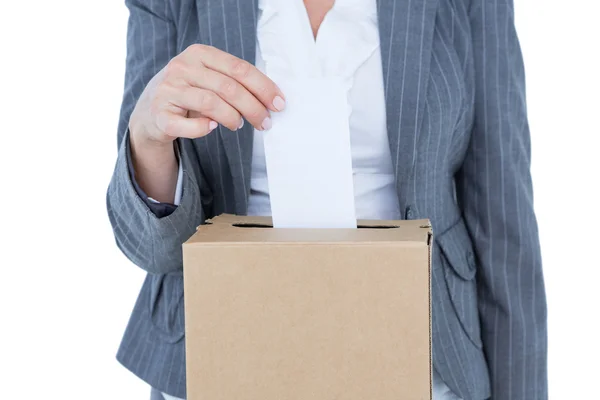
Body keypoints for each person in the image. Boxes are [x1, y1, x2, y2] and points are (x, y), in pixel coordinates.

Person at [106, 0, 548, 399]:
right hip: (225, 359)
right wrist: (147, 136)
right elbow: (153, 249)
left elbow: (502, 219)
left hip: (422, 360)